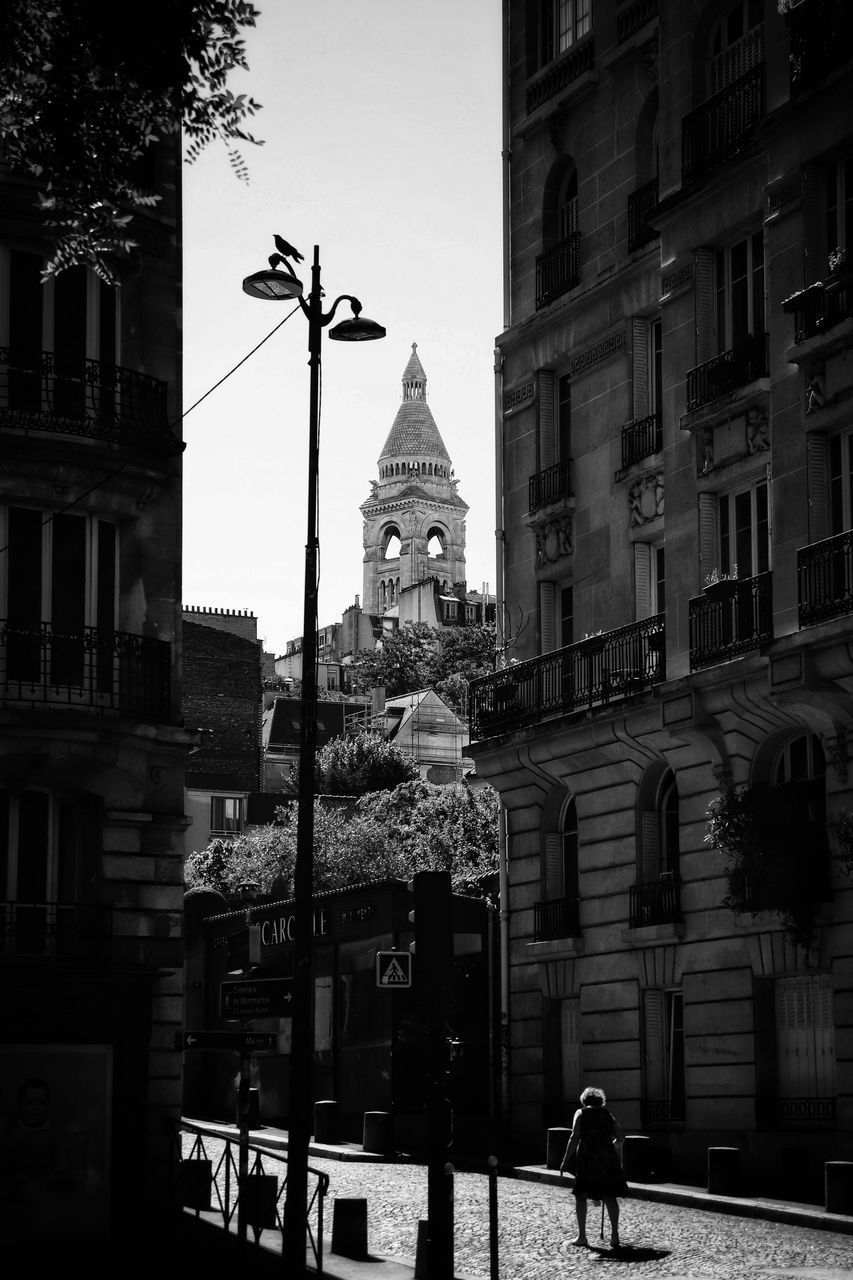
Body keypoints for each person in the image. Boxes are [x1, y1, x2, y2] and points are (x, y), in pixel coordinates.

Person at [560, 1085, 627, 1249]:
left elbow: (574, 1137)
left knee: (581, 1195)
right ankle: (615, 1236)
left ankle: (582, 1236)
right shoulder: (607, 1114)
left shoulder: (581, 1113)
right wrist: (611, 1146)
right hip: (606, 1159)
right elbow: (621, 1137)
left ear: (584, 1101)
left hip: (587, 1159)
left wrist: (565, 1159)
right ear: (600, 1101)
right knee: (610, 1195)